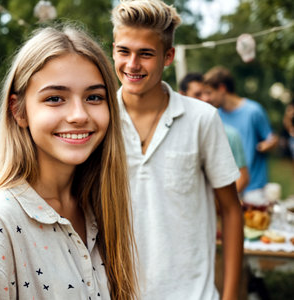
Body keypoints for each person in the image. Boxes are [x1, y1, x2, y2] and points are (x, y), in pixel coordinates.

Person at [0, 25, 137, 300]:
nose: (79, 115)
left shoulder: (99, 206)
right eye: (55, 98)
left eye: (94, 97)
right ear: (19, 111)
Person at [111, 1, 243, 299]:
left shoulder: (202, 119)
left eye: (146, 53)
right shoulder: (98, 120)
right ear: (114, 50)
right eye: (124, 51)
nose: (132, 64)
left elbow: (232, 211)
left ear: (168, 56)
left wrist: (231, 295)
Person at [203, 66, 279, 206]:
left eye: (209, 92)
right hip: (229, 186)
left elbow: (272, 138)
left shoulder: (253, 111)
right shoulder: (215, 115)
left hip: (254, 189)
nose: (207, 98)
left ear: (222, 88)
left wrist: (268, 145)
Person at [180, 72, 249, 193]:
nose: (206, 98)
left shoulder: (229, 134)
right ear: (182, 95)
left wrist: (216, 206)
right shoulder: (174, 135)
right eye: (198, 94)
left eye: (207, 93)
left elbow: (242, 178)